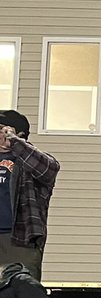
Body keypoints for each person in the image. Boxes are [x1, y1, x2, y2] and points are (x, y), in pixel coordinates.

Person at [0, 109, 60, 281]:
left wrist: (14, 142)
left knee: (20, 296)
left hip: (19, 240)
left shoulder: (30, 161)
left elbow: (48, 169)